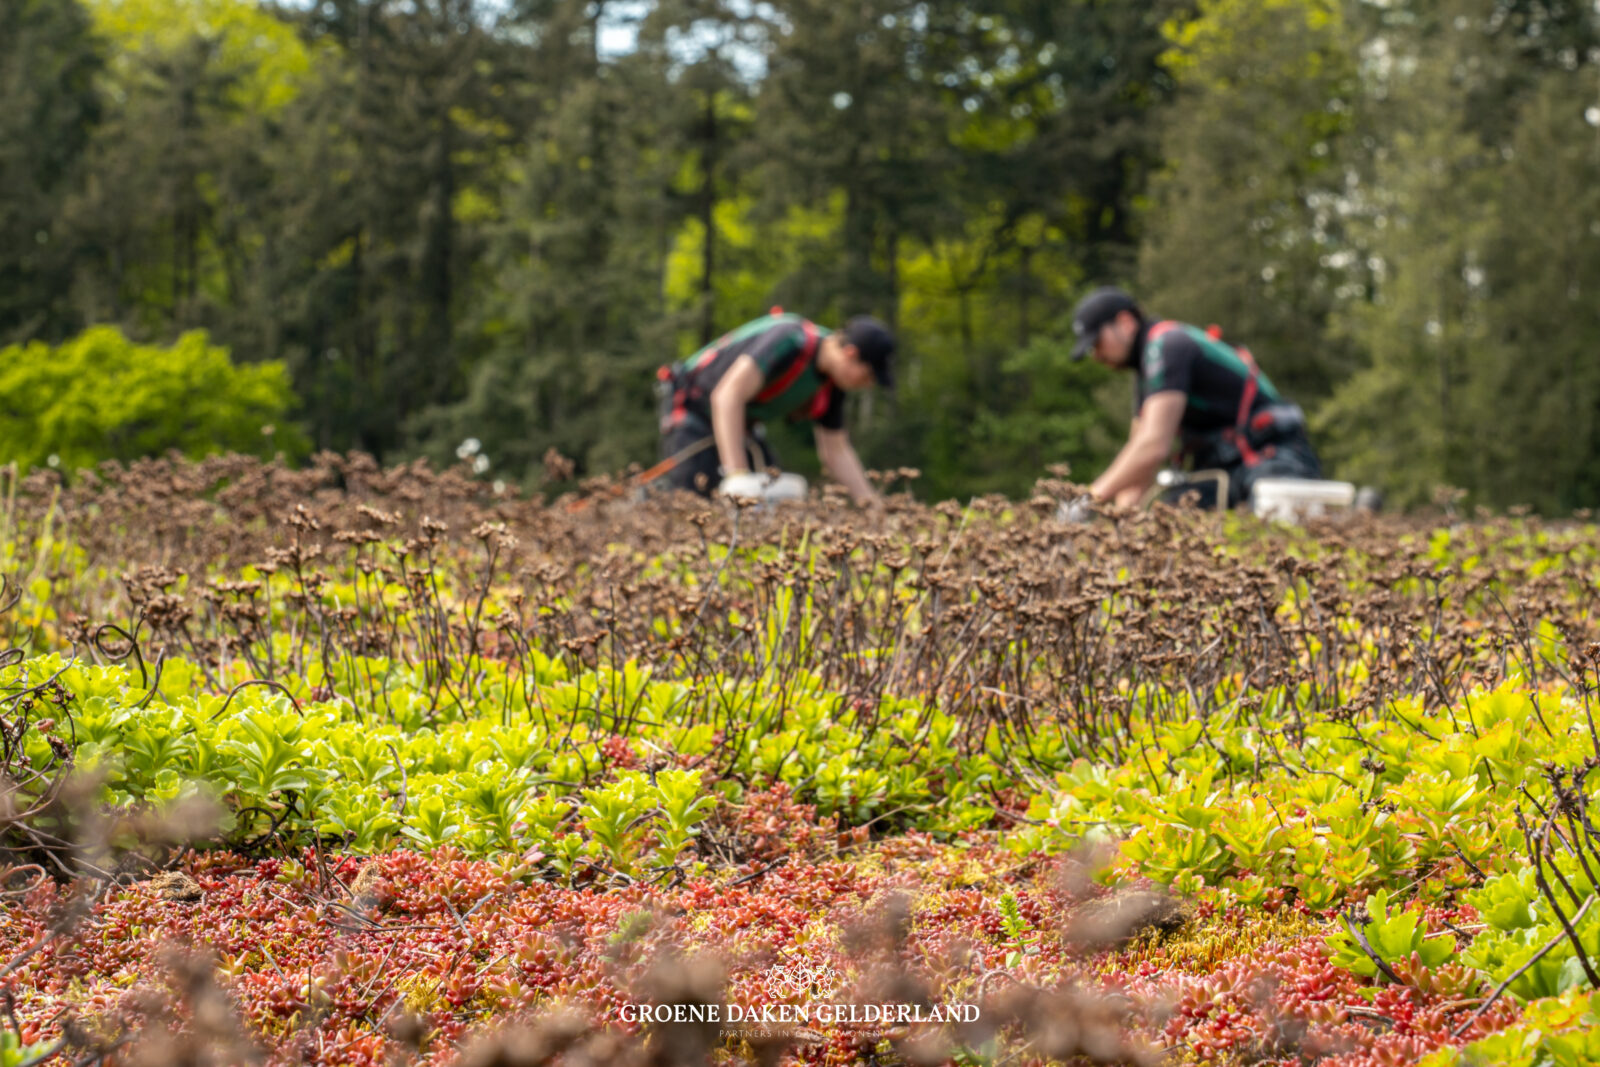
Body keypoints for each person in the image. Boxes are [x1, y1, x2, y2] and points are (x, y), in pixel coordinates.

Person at [1068, 286, 1322, 510]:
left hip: (1273, 459)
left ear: (1125, 323)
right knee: (1169, 527)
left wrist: (1087, 501)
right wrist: (1119, 525)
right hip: (1223, 471)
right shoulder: (1145, 375)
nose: (1096, 355)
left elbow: (1153, 446)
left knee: (1276, 537)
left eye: (1097, 342)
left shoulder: (1167, 345)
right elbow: (1138, 461)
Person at [656, 309, 895, 504]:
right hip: (694, 408)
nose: (867, 385)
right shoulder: (789, 340)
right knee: (690, 499)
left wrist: (871, 505)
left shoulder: (831, 385)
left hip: (742, 427)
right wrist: (737, 475)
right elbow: (727, 396)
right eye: (867, 377)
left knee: (775, 495)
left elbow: (837, 452)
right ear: (850, 354)